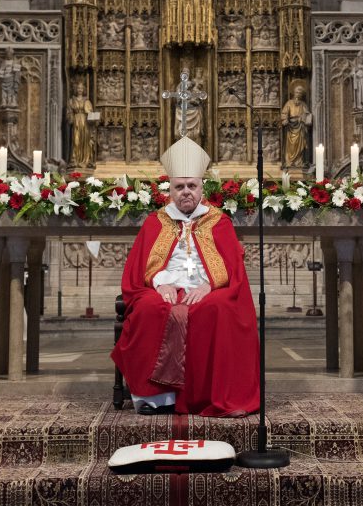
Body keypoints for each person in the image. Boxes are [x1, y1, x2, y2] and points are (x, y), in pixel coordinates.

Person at [111, 136, 259, 417]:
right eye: (180, 187)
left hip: (208, 291)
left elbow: (232, 270)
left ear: (202, 187)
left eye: (192, 186)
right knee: (149, 309)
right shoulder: (156, 221)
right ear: (170, 189)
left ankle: (206, 395)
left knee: (219, 308)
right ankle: (157, 398)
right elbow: (139, 268)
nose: (186, 192)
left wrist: (209, 285)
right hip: (165, 290)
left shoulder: (219, 221)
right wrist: (160, 282)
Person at [280, 79, 312, 169]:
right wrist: (285, 119)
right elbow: (284, 114)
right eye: (297, 91)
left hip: (300, 127)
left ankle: (299, 162)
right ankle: (289, 162)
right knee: (291, 146)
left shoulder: (303, 104)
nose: (299, 93)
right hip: (291, 127)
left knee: (301, 146)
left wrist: (305, 118)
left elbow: (307, 115)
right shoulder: (289, 103)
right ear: (293, 92)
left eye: (300, 92)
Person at [67, 79, 95, 168]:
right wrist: (70, 117)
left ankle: (85, 161)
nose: (80, 90)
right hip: (76, 123)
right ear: (76, 89)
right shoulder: (71, 101)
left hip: (85, 122)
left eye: (81, 88)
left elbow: (91, 113)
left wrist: (92, 115)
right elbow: (69, 112)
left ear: (84, 90)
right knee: (76, 141)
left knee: (85, 141)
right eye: (78, 88)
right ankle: (75, 160)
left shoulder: (87, 101)